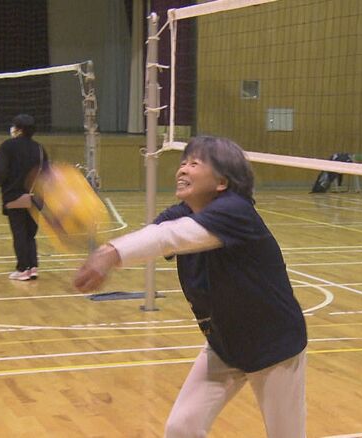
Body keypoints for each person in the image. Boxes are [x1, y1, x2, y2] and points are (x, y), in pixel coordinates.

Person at [74, 136, 308, 438]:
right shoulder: (184, 212)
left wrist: (110, 253)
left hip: (273, 346)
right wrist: (106, 251)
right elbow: (157, 234)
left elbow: (170, 237)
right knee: (181, 428)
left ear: (222, 182)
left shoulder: (236, 212)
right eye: (183, 162)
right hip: (225, 343)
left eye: (195, 164)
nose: (182, 169)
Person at [0, 114, 48, 281]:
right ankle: (33, 267)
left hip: (15, 196)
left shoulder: (7, 146)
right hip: (36, 197)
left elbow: (1, 172)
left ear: (18, 129)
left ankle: (23, 268)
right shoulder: (40, 148)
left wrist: (4, 184)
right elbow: (46, 173)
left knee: (19, 233)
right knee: (30, 234)